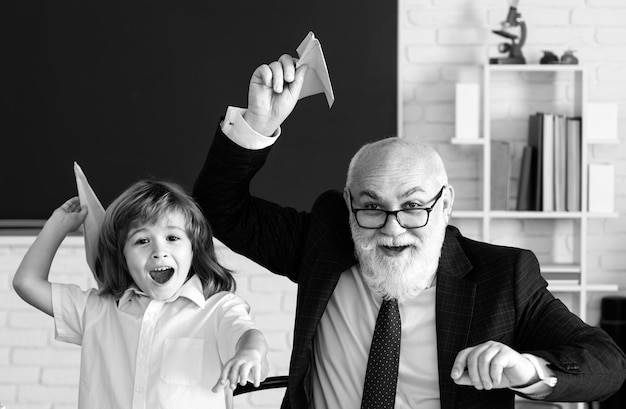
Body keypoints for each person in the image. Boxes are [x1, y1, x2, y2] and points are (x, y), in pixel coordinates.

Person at [192, 54, 626, 409]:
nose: (392, 229)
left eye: (414, 206)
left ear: (446, 204)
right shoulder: (323, 241)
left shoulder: (503, 277)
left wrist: (529, 369)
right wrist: (259, 121)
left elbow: (607, 363)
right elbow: (218, 206)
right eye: (372, 207)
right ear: (349, 205)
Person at [13, 180, 269, 409]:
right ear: (122, 257)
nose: (159, 250)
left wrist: (250, 353)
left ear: (194, 249)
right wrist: (57, 227)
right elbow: (27, 283)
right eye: (141, 241)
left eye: (172, 237)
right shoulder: (97, 310)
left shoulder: (217, 309)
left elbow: (247, 335)